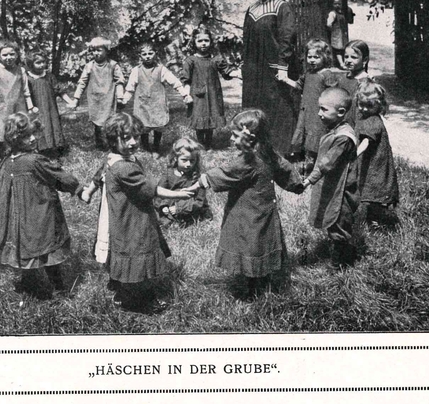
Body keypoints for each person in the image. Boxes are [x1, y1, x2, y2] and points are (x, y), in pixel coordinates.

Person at [79, 113, 194, 312]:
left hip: (118, 212)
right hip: (130, 217)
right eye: (126, 138)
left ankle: (118, 284)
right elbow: (150, 189)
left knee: (119, 247)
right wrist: (179, 194)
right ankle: (136, 300)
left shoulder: (114, 159)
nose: (133, 142)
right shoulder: (123, 168)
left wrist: (89, 191)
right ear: (113, 140)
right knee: (135, 250)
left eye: (136, 137)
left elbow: (99, 175)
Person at [195, 109, 304, 298]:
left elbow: (227, 172)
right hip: (265, 211)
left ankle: (251, 290)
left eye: (235, 136)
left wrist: (202, 181)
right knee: (262, 244)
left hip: (248, 215)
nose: (230, 139)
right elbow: (284, 168)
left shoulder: (248, 160)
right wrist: (297, 185)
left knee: (250, 246)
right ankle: (264, 280)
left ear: (250, 137)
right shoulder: (268, 153)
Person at [0, 113, 82, 299]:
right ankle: (56, 287)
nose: (34, 138)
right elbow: (59, 175)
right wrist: (77, 187)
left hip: (19, 219)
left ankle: (31, 282)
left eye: (34, 134)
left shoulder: (7, 161)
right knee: (46, 247)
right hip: (39, 215)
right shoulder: (34, 160)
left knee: (25, 248)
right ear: (15, 139)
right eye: (27, 136)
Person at [242, 0, 298, 154]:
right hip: (255, 68)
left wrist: (283, 66)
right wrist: (245, 67)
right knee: (255, 105)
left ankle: (280, 149)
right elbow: (246, 40)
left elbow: (287, 38)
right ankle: (256, 145)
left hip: (274, 67)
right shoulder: (252, 9)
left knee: (277, 106)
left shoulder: (282, 7)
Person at [302, 87, 360, 267]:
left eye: (324, 109)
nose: (319, 113)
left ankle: (340, 263)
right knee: (333, 220)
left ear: (341, 112)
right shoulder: (336, 128)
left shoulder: (343, 137)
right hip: (335, 184)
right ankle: (342, 252)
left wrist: (309, 179)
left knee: (339, 221)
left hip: (343, 189)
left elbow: (327, 162)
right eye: (319, 108)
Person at [121, 42, 192, 158]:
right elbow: (130, 88)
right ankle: (146, 146)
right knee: (142, 125)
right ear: (140, 56)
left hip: (157, 103)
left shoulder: (161, 69)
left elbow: (175, 82)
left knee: (158, 125)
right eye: (144, 54)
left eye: (150, 53)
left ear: (155, 54)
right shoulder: (136, 70)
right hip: (142, 103)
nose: (148, 56)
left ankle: (156, 148)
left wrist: (185, 94)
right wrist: (124, 100)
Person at [180, 26, 240, 149]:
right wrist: (186, 94)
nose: (203, 44)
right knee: (200, 119)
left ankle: (208, 142)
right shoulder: (190, 60)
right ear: (194, 42)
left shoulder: (215, 59)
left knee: (211, 117)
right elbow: (186, 78)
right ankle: (201, 143)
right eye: (200, 41)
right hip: (198, 96)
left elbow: (226, 71)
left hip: (213, 94)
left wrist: (237, 74)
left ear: (211, 42)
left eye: (206, 41)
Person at [282, 38, 335, 175]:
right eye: (309, 57)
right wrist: (286, 80)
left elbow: (333, 93)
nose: (312, 60)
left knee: (317, 138)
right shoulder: (308, 74)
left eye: (316, 57)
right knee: (306, 138)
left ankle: (319, 169)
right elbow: (299, 85)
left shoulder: (327, 74)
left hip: (319, 113)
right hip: (306, 111)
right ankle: (307, 167)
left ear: (324, 57)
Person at [67, 37, 126, 149]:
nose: (96, 53)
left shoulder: (113, 65)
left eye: (99, 50)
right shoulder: (89, 66)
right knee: (97, 122)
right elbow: (82, 82)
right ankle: (100, 144)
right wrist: (76, 99)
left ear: (106, 50)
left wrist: (120, 97)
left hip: (109, 98)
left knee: (111, 121)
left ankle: (113, 143)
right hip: (95, 98)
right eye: (94, 50)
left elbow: (120, 81)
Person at [354, 81, 400, 227]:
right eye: (361, 104)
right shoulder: (364, 117)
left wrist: (354, 154)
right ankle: (372, 216)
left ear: (379, 105)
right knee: (370, 186)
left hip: (375, 162)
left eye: (369, 105)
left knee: (376, 187)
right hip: (371, 160)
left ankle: (377, 220)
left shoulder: (373, 121)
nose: (365, 109)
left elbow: (367, 141)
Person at [23, 52, 74, 157]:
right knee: (40, 126)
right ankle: (41, 149)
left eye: (43, 62)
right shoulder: (28, 79)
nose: (42, 65)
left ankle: (56, 147)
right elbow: (26, 95)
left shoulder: (49, 77)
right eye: (38, 62)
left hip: (51, 108)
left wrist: (70, 101)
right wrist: (30, 107)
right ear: (31, 64)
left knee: (54, 124)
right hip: (37, 108)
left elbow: (60, 91)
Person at [154, 137, 211, 228]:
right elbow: (159, 192)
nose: (188, 164)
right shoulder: (168, 174)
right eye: (184, 160)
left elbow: (199, 202)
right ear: (176, 158)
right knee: (158, 220)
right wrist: (163, 206)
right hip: (169, 205)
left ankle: (180, 221)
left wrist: (179, 208)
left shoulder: (197, 178)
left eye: (192, 161)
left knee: (187, 221)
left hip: (188, 208)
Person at [326, 0, 349, 69]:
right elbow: (329, 24)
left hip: (342, 33)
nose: (337, 5)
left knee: (343, 47)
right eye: (335, 4)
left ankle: (344, 62)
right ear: (332, 5)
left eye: (339, 4)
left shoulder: (341, 13)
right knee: (338, 49)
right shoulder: (332, 13)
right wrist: (332, 29)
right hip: (336, 33)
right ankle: (341, 64)